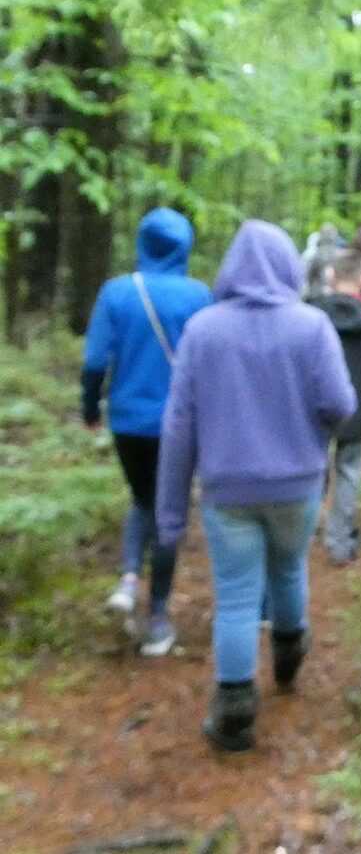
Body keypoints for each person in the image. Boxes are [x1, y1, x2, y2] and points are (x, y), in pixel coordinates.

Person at [156, 220, 356, 752]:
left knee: (238, 596)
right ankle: (289, 658)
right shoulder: (312, 326)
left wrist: (170, 513)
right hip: (297, 485)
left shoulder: (203, 329)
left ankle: (234, 710)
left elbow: (177, 426)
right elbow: (341, 406)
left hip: (227, 490)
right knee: (289, 569)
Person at [81, 207, 212, 656]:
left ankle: (128, 579)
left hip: (127, 419)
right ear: (185, 246)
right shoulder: (199, 295)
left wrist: (89, 408)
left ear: (141, 242)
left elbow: (95, 361)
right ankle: (157, 618)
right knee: (169, 512)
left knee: (142, 499)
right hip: (180, 423)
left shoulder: (117, 292)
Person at [310, 247, 361, 565]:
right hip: (357, 412)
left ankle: (302, 535)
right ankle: (340, 543)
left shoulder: (311, 314)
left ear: (331, 276)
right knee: (348, 473)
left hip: (314, 411)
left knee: (314, 471)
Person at [301, 222, 345, 299]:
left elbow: (309, 276)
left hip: (317, 295)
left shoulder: (316, 254)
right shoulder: (340, 255)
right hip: (333, 296)